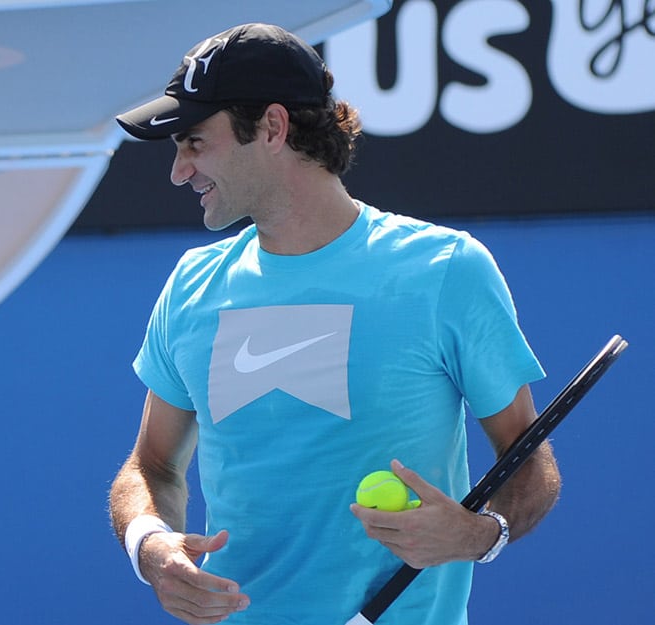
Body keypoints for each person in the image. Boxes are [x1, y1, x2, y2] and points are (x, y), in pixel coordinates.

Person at [106, 23, 562, 624]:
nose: (179, 171)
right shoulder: (193, 284)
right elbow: (151, 467)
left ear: (272, 127)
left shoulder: (446, 270)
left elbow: (528, 457)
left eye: (194, 141)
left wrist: (480, 534)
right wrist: (151, 545)